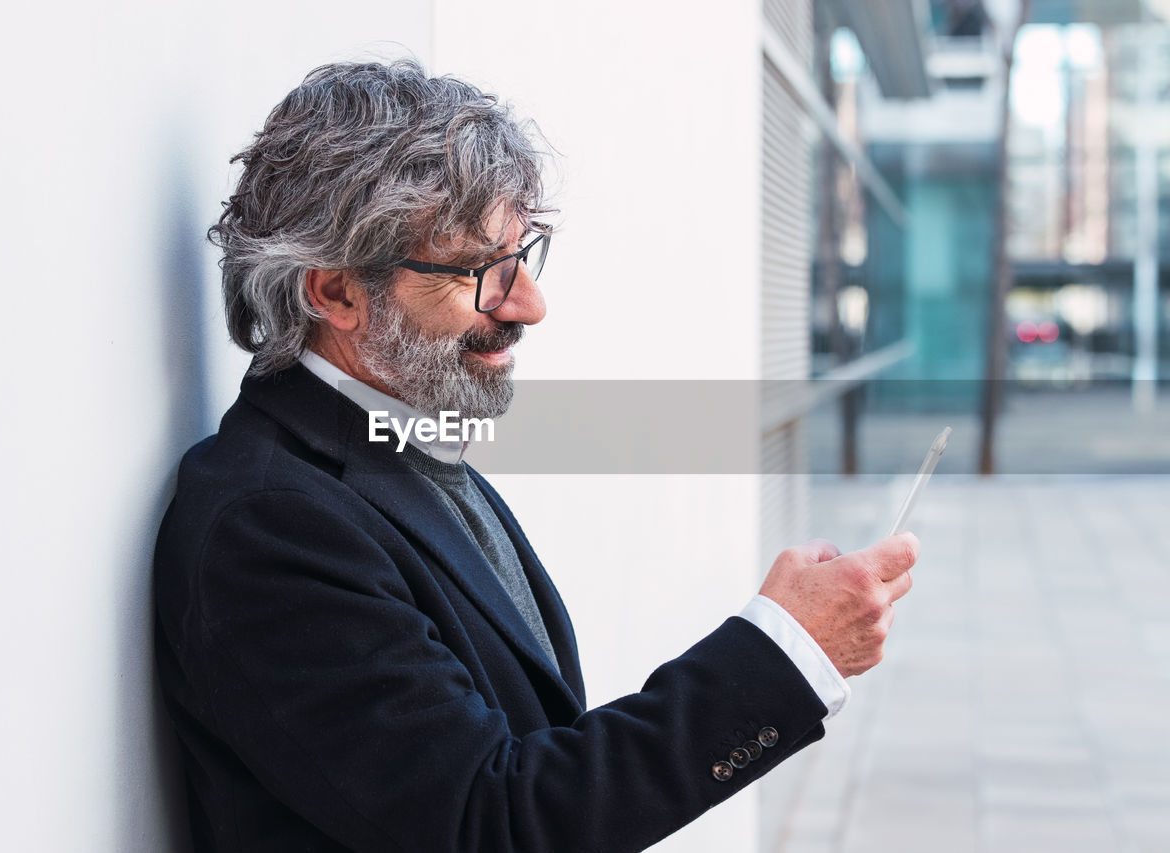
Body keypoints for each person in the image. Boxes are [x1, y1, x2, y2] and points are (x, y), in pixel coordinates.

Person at [154, 59, 918, 853]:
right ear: (338, 294)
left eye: (525, 255)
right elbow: (492, 821)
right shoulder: (269, 528)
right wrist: (785, 653)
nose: (529, 304)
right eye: (481, 271)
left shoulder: (399, 439)